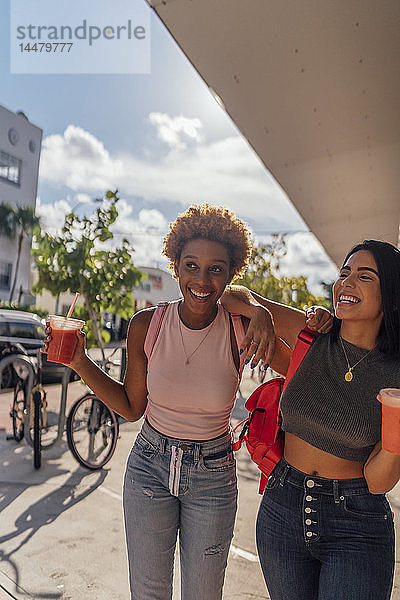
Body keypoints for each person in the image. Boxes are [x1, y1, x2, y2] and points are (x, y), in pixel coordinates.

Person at [42, 203, 329, 600]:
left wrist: (262, 309)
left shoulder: (240, 327)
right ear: (175, 266)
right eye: (191, 265)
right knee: (149, 594)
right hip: (149, 469)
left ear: (231, 275)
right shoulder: (148, 325)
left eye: (217, 269)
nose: (202, 279)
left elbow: (300, 364)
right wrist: (78, 361)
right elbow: (130, 407)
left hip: (212, 475)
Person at [222, 239, 400, 600]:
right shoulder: (313, 336)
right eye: (344, 273)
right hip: (281, 507)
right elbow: (229, 295)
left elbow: (379, 482)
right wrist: (259, 311)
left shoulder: (395, 373)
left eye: (364, 276)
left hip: (357, 524)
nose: (346, 283)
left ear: (392, 293)